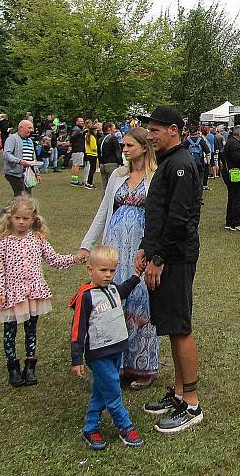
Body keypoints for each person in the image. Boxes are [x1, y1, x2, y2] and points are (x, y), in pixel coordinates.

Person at [136, 106, 204, 434]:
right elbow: (158, 213)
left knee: (180, 326)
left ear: (173, 130)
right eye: (148, 130)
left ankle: (191, 403)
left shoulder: (181, 164)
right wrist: (145, 248)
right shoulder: (169, 162)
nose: (149, 136)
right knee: (173, 326)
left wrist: (158, 258)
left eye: (155, 130)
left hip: (176, 257)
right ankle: (178, 393)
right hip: (165, 253)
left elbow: (178, 219)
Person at [78, 127, 160, 389]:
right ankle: (120, 363)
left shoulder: (155, 176)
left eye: (129, 145)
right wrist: (87, 245)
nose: (124, 150)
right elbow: (103, 210)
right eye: (123, 145)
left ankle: (143, 366)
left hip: (140, 243)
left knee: (140, 300)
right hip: (114, 244)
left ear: (144, 147)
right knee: (114, 301)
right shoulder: (117, 175)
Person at [0, 197, 81, 387]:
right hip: (12, 295)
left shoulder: (38, 240)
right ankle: (13, 367)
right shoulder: (5, 243)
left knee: (31, 330)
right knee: (10, 332)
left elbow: (54, 259)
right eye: (17, 218)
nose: (21, 222)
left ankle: (30, 366)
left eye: (25, 218)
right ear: (11, 218)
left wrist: (74, 259)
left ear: (33, 219)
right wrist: (0, 292)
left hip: (33, 294)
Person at [69, 246, 145, 450]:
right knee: (112, 390)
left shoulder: (113, 289)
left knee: (101, 391)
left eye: (112, 270)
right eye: (103, 270)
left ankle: (91, 427)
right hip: (98, 354)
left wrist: (137, 275)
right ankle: (125, 426)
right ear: (90, 270)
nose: (108, 275)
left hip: (116, 350)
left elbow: (126, 288)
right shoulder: (86, 296)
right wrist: (76, 358)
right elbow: (78, 329)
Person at [222, 125, 240, 231]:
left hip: (229, 173)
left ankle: (229, 222)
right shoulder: (234, 144)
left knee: (232, 198)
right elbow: (237, 158)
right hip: (234, 175)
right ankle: (236, 223)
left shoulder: (230, 142)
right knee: (238, 198)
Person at [3, 120, 38, 197]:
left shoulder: (30, 141)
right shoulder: (12, 139)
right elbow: (6, 154)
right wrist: (19, 161)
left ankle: (17, 208)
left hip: (27, 174)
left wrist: (37, 173)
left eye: (32, 128)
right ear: (21, 128)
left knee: (26, 196)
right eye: (29, 128)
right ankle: (8, 209)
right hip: (14, 174)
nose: (31, 130)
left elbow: (33, 157)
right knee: (21, 196)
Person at [185, 127, 211, 197]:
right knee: (200, 181)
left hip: (189, 164)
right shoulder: (201, 140)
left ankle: (191, 197)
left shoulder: (187, 141)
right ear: (197, 132)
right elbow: (207, 151)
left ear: (190, 133)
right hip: (200, 164)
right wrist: (208, 162)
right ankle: (199, 198)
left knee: (190, 181)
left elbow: (183, 151)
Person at [99, 122, 123, 193]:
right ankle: (110, 202)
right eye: (114, 128)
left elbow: (98, 153)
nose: (115, 130)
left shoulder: (100, 139)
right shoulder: (112, 137)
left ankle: (104, 201)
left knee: (104, 186)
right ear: (109, 128)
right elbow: (118, 151)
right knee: (112, 185)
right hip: (111, 164)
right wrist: (121, 163)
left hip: (102, 165)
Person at [69, 118, 86, 186]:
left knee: (75, 165)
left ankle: (73, 179)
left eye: (83, 121)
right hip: (78, 149)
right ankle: (75, 181)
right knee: (76, 165)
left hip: (76, 149)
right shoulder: (77, 129)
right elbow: (72, 137)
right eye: (81, 121)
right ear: (77, 122)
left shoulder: (78, 129)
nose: (82, 122)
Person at [82, 124, 98, 189]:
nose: (96, 132)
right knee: (92, 169)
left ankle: (89, 182)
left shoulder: (87, 136)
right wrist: (98, 148)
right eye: (96, 130)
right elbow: (93, 147)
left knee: (92, 168)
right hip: (92, 154)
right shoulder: (91, 137)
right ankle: (89, 182)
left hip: (89, 153)